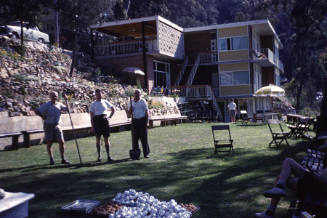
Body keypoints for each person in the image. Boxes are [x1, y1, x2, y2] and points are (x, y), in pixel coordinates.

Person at [255, 158, 327, 218]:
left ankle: (270, 211)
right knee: (280, 177)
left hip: (319, 189)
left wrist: (315, 175)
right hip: (316, 182)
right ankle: (279, 188)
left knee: (288, 161)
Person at [36, 91, 70, 165]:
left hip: (57, 125)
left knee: (61, 142)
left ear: (57, 97)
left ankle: (63, 159)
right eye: (53, 96)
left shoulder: (59, 104)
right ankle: (51, 159)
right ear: (50, 97)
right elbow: (37, 111)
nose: (55, 97)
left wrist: (66, 100)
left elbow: (68, 110)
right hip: (48, 125)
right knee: (49, 142)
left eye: (56, 96)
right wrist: (43, 117)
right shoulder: (46, 105)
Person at [90, 89, 115, 162]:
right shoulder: (93, 104)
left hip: (104, 121)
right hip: (97, 121)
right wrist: (92, 126)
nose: (99, 96)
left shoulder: (105, 102)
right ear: (95, 95)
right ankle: (99, 156)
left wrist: (109, 117)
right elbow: (91, 116)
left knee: (106, 139)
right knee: (98, 139)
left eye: (100, 94)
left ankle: (109, 156)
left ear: (102, 94)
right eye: (97, 94)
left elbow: (113, 109)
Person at [128, 89, 150, 159]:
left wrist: (147, 122)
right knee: (135, 139)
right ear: (134, 94)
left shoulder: (143, 101)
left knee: (144, 138)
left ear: (140, 95)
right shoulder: (131, 102)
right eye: (136, 93)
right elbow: (129, 114)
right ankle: (136, 154)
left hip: (142, 121)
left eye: (138, 94)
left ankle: (146, 153)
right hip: (134, 121)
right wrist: (131, 109)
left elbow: (146, 112)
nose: (137, 95)